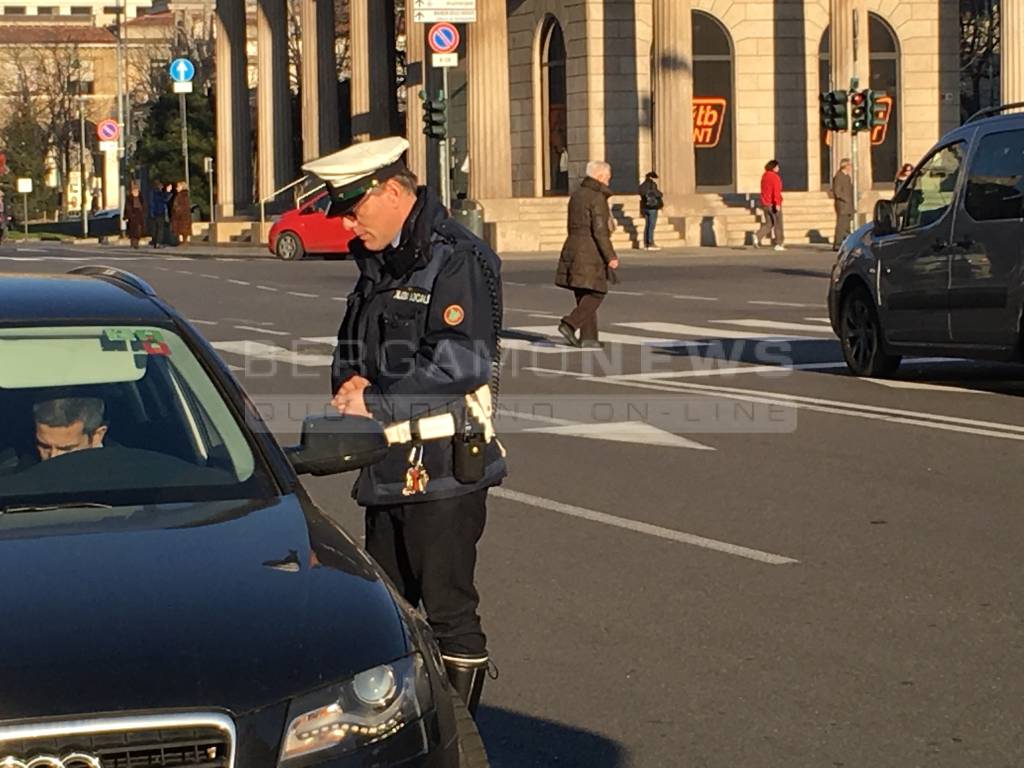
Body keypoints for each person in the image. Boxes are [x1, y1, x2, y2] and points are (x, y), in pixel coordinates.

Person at [306, 136, 506, 718]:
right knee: (384, 612)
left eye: (353, 207)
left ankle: (458, 738)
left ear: (393, 191)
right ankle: (399, 730)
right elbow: (356, 346)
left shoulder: (454, 257)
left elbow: (461, 361)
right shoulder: (383, 262)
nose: (346, 221)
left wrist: (377, 397)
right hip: (386, 463)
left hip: (441, 467)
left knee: (448, 615)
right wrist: (349, 386)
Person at [555, 160, 619, 348]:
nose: (608, 182)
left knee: (584, 293)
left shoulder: (577, 195)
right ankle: (570, 323)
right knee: (598, 291)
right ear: (599, 177)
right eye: (607, 178)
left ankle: (589, 338)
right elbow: (600, 231)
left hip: (573, 246)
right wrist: (610, 256)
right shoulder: (596, 197)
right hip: (589, 251)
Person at [33, 397, 108, 462]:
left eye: (66, 449)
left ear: (97, 436)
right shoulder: (25, 469)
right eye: (45, 446)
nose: (53, 457)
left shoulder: (116, 472)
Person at [755, 160, 785, 251]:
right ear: (773, 167)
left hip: (765, 203)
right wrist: (777, 204)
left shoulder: (764, 177)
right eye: (777, 167)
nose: (778, 168)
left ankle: (757, 236)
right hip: (773, 204)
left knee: (769, 223)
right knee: (778, 224)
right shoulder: (775, 177)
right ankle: (779, 243)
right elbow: (776, 191)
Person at [831, 158, 855, 252]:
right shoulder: (839, 176)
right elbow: (837, 191)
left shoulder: (847, 177)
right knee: (841, 225)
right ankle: (838, 244)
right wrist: (846, 199)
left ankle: (846, 243)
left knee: (847, 226)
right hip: (842, 205)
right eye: (849, 165)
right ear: (845, 166)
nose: (850, 167)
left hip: (848, 205)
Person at [638, 171, 663, 250]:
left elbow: (641, 193)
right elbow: (658, 194)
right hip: (652, 207)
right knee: (651, 226)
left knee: (647, 225)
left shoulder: (642, 185)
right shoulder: (652, 185)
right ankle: (651, 243)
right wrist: (660, 193)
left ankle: (646, 243)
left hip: (645, 207)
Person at [125, 182, 145, 249]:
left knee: (139, 230)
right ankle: (134, 243)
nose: (136, 192)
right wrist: (128, 216)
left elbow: (143, 206)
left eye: (137, 190)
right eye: (134, 190)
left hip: (139, 216)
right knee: (133, 231)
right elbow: (127, 208)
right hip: (133, 217)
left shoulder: (141, 198)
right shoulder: (129, 198)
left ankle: (136, 242)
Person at [171, 181, 192, 246]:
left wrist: (177, 210)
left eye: (178, 186)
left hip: (182, 216)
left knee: (183, 229)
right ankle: (182, 242)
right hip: (181, 215)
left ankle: (184, 242)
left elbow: (183, 206)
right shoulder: (180, 195)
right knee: (181, 229)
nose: (176, 188)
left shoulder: (183, 195)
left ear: (182, 187)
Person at [149, 180, 168, 248]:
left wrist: (151, 213)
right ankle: (158, 242)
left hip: (154, 212)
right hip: (159, 212)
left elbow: (151, 203)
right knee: (160, 229)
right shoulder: (158, 193)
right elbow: (164, 199)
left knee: (155, 228)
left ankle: (154, 241)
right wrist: (168, 192)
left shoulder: (152, 192)